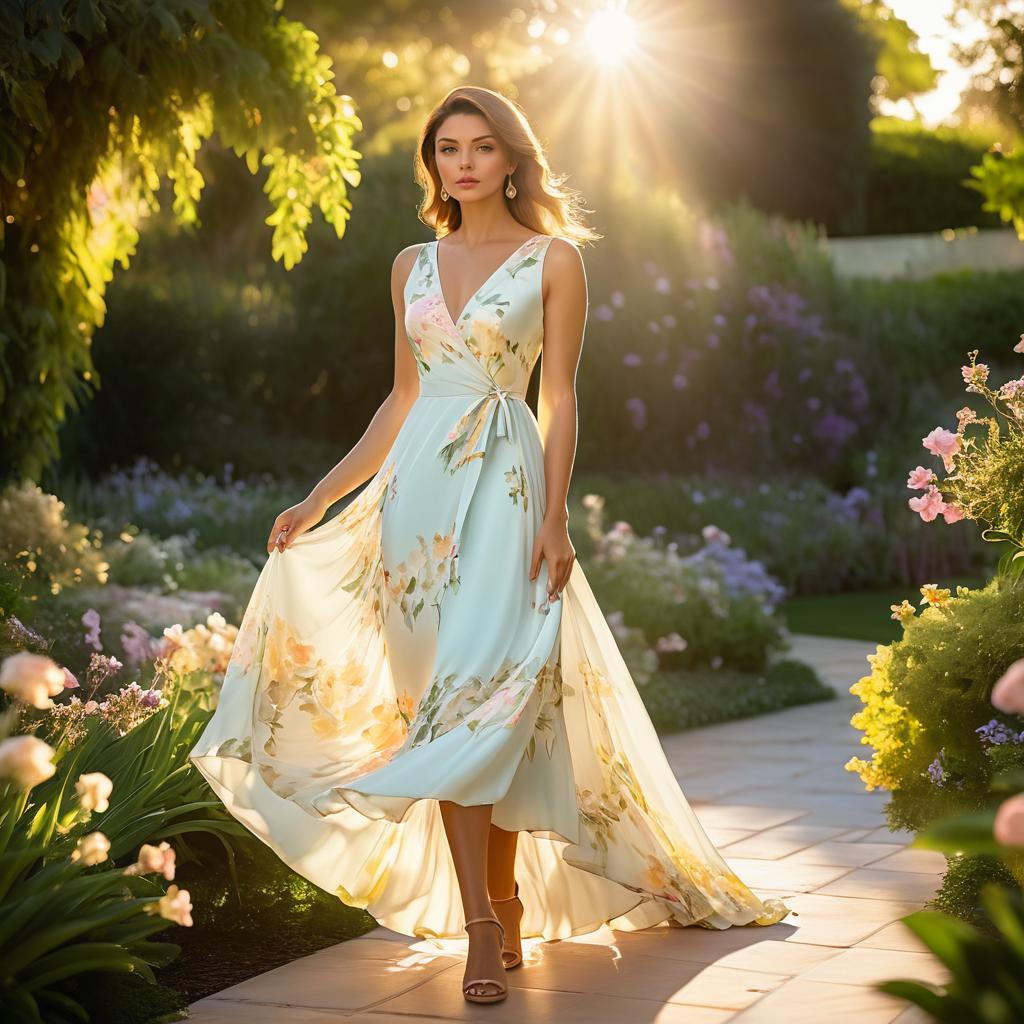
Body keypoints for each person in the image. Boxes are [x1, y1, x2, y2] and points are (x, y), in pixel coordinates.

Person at [189, 85, 791, 1007]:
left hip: (504, 499)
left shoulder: (555, 261)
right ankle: (494, 905)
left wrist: (554, 517)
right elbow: (401, 400)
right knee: (448, 714)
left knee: (490, 708)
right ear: (433, 164)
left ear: (512, 160)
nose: (463, 161)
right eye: (446, 148)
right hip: (414, 515)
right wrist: (318, 497)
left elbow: (561, 399)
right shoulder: (409, 266)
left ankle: (482, 924)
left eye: (480, 146)